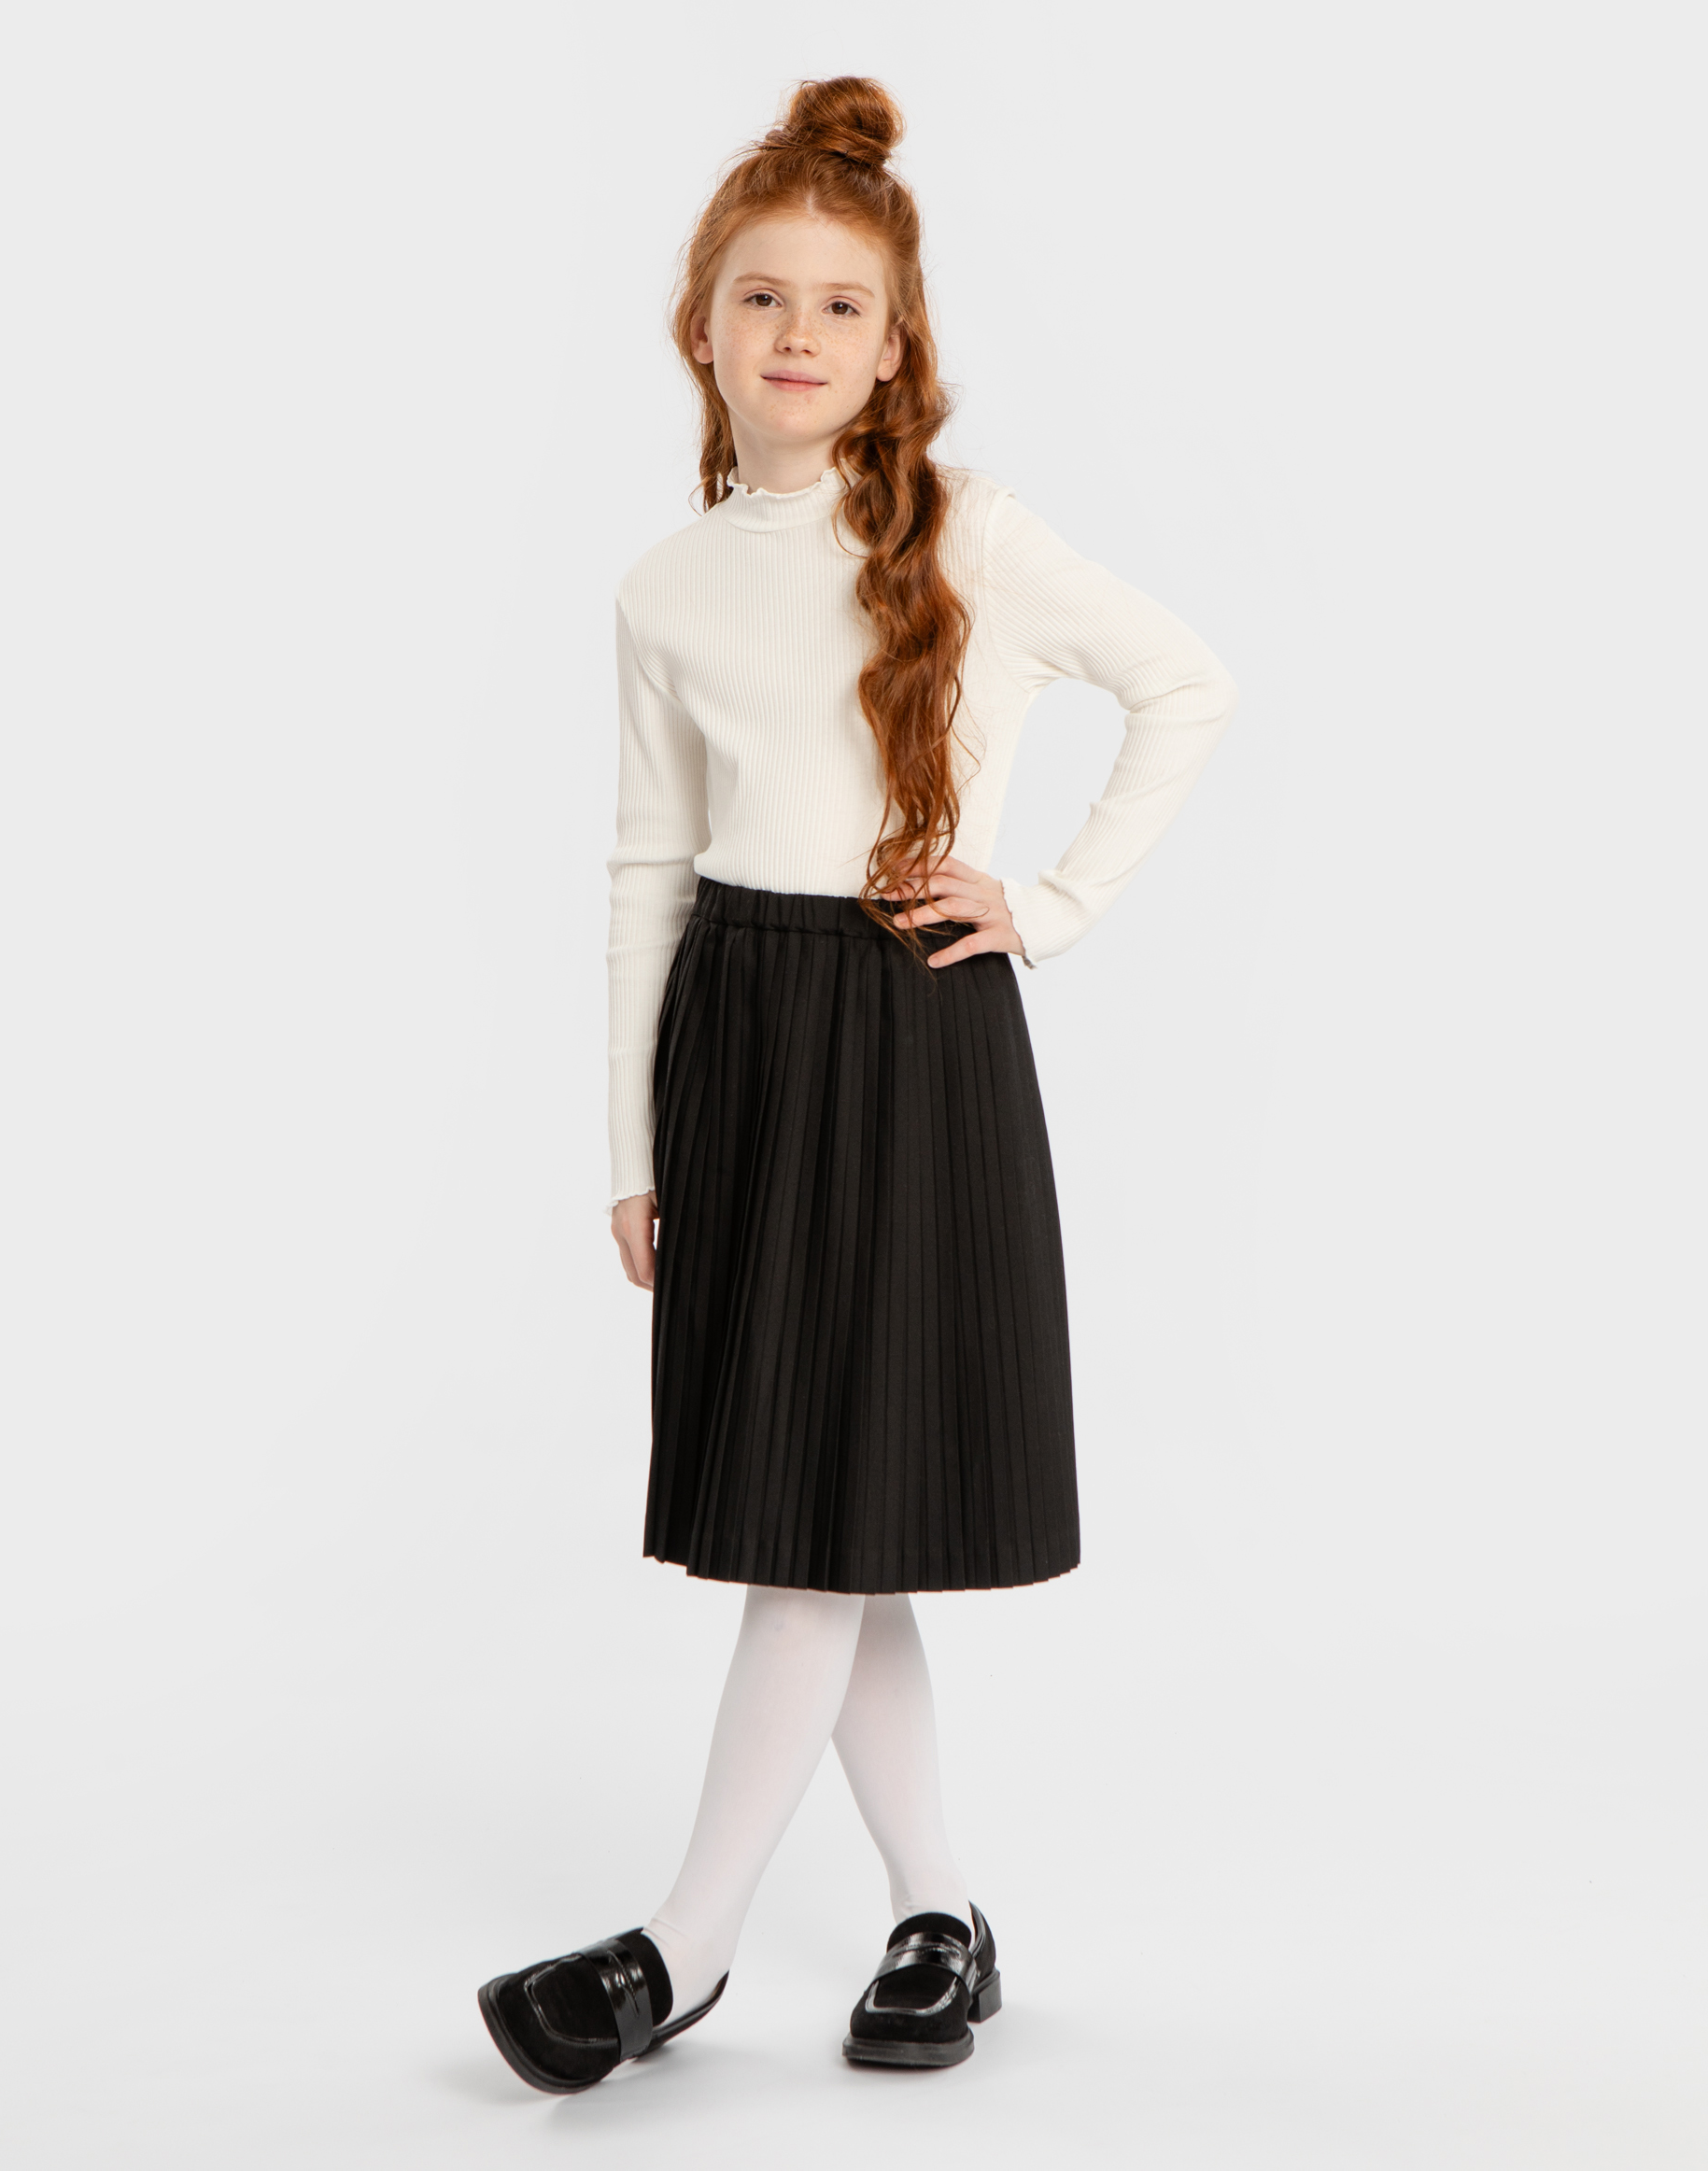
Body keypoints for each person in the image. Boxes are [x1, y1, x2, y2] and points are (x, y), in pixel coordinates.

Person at [478, 75, 1238, 2093]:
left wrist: (1048, 903)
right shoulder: (664, 587)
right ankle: (941, 1912)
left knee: (816, 1531)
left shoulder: (970, 534)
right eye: (762, 295)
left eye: (841, 304)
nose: (798, 331)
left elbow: (1187, 683)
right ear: (702, 325)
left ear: (895, 347)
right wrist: (635, 1144)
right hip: (743, 1035)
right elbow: (647, 869)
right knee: (832, 1505)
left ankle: (682, 1946)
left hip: (908, 1030)